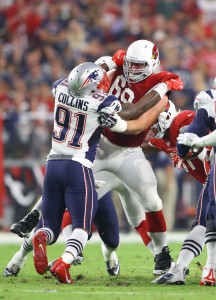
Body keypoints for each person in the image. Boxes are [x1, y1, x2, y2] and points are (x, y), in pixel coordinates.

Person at [8, 40, 184, 279]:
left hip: (128, 153)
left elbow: (139, 123)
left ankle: (162, 254)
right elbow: (90, 76)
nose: (131, 70)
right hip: (100, 148)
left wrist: (120, 121)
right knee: (66, 206)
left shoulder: (161, 89)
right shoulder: (116, 68)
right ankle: (27, 239)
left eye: (138, 65)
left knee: (152, 201)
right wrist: (108, 62)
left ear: (152, 63)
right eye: (130, 64)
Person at [140, 100, 211, 284]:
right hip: (210, 181)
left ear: (165, 115)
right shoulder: (162, 139)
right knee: (205, 224)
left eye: (153, 121)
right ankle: (185, 268)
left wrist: (194, 144)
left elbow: (199, 136)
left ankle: (180, 269)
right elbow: (144, 146)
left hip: (213, 177)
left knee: (202, 223)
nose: (150, 126)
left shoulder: (182, 121)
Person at [176, 78, 216, 286]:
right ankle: (210, 266)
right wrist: (187, 143)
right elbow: (195, 129)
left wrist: (199, 142)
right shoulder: (209, 100)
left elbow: (196, 135)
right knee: (211, 215)